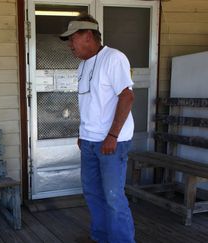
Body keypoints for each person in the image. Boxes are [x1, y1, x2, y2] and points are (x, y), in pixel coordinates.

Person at [60, 14, 135, 243]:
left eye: (73, 39)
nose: (71, 45)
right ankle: (100, 238)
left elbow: (127, 96)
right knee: (93, 193)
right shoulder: (82, 66)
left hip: (112, 141)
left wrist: (112, 135)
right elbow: (91, 103)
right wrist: (83, 134)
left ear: (88, 36)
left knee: (113, 197)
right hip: (90, 141)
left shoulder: (114, 58)